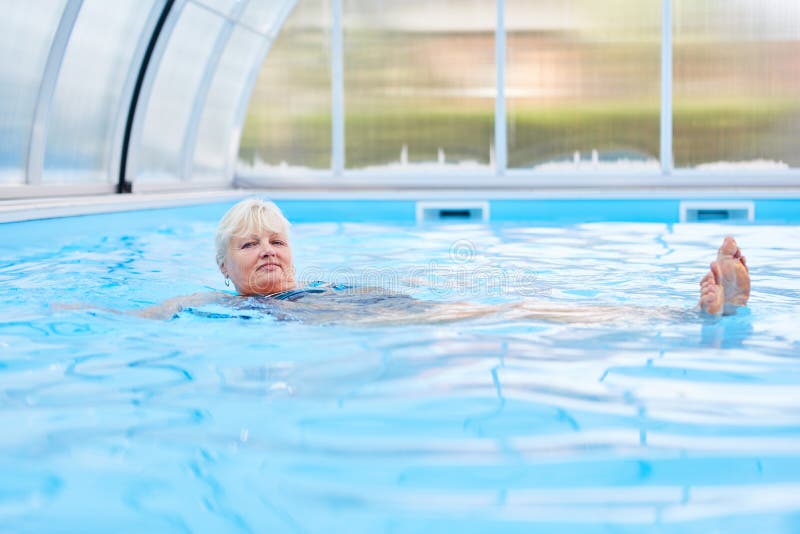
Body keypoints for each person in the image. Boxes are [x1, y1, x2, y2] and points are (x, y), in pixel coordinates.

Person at [140, 197, 751, 322]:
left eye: (276, 241)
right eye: (249, 245)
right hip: (354, 323)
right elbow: (159, 311)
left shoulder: (316, 288)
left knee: (513, 310)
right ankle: (681, 315)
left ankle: (680, 314)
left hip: (365, 312)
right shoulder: (216, 306)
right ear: (224, 267)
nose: (267, 251)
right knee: (511, 312)